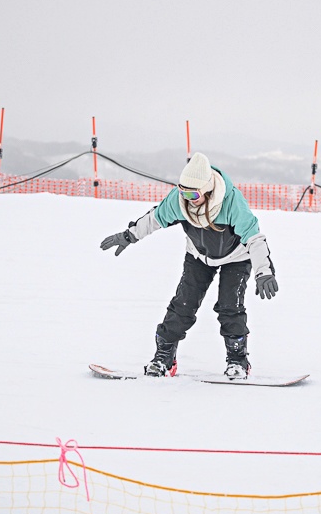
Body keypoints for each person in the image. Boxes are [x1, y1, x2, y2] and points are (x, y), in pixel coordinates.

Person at [100, 152, 278, 378]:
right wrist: (129, 236)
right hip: (198, 256)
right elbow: (154, 219)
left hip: (236, 257)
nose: (187, 198)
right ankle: (164, 358)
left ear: (207, 189)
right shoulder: (179, 200)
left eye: (193, 193)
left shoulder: (231, 202)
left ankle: (237, 361)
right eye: (183, 191)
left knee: (229, 307)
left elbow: (254, 238)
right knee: (182, 305)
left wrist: (264, 271)